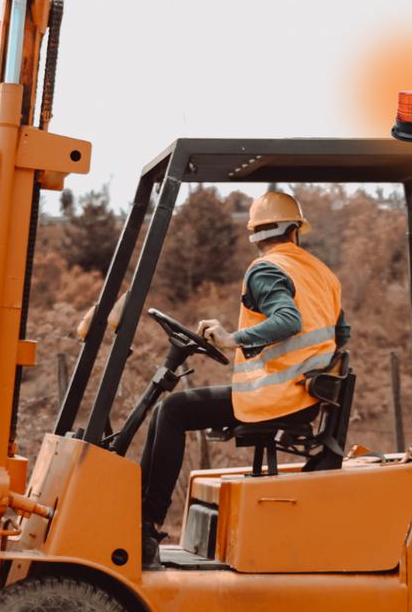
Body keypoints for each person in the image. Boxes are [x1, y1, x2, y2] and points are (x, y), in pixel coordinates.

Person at [139, 190, 350, 567]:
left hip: (275, 397)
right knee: (168, 412)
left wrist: (233, 339)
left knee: (171, 410)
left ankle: (145, 525)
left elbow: (288, 320)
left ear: (255, 235)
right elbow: (341, 336)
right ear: (296, 231)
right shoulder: (323, 274)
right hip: (305, 394)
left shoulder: (266, 268)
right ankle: (142, 518)